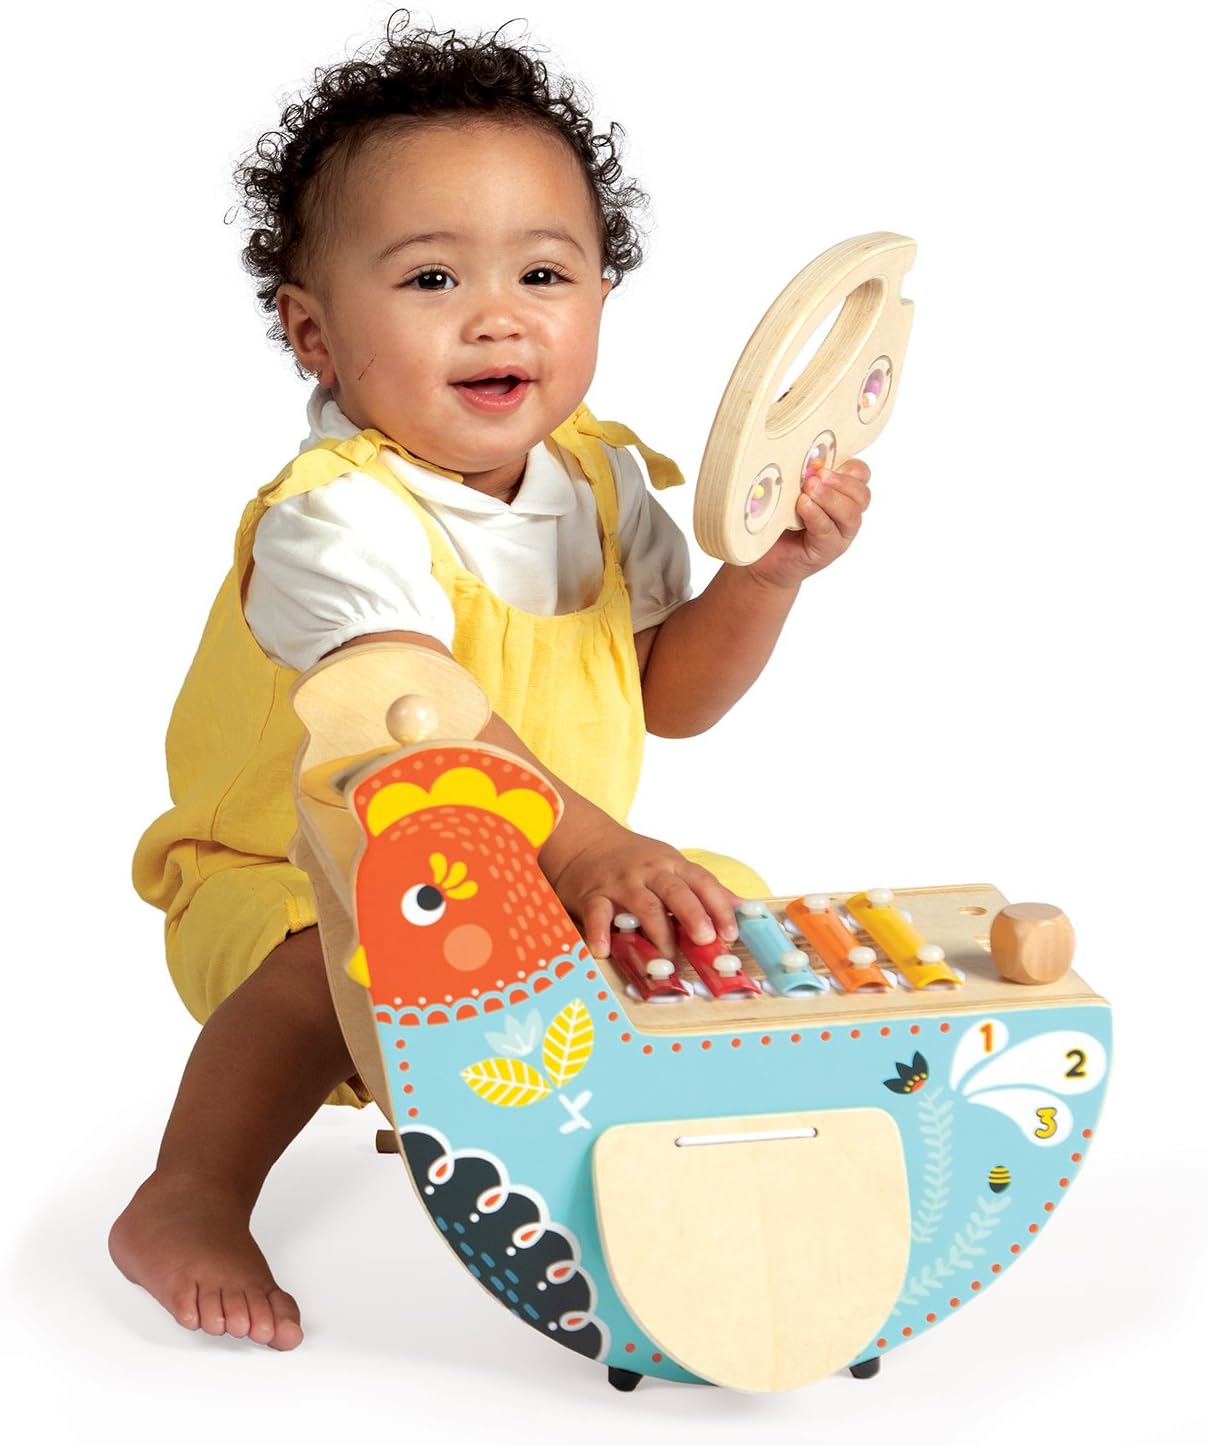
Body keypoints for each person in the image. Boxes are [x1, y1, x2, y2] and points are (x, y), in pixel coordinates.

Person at [109, 11, 872, 1352]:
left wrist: (763, 579)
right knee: (322, 964)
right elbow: (415, 726)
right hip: (306, 859)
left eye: (544, 271)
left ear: (600, 299)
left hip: (532, 858)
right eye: (429, 279)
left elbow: (671, 697)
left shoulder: (601, 481)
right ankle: (190, 1190)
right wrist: (593, 846)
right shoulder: (334, 518)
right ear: (314, 334)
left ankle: (651, 1163)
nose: (498, 313)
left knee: (711, 919)